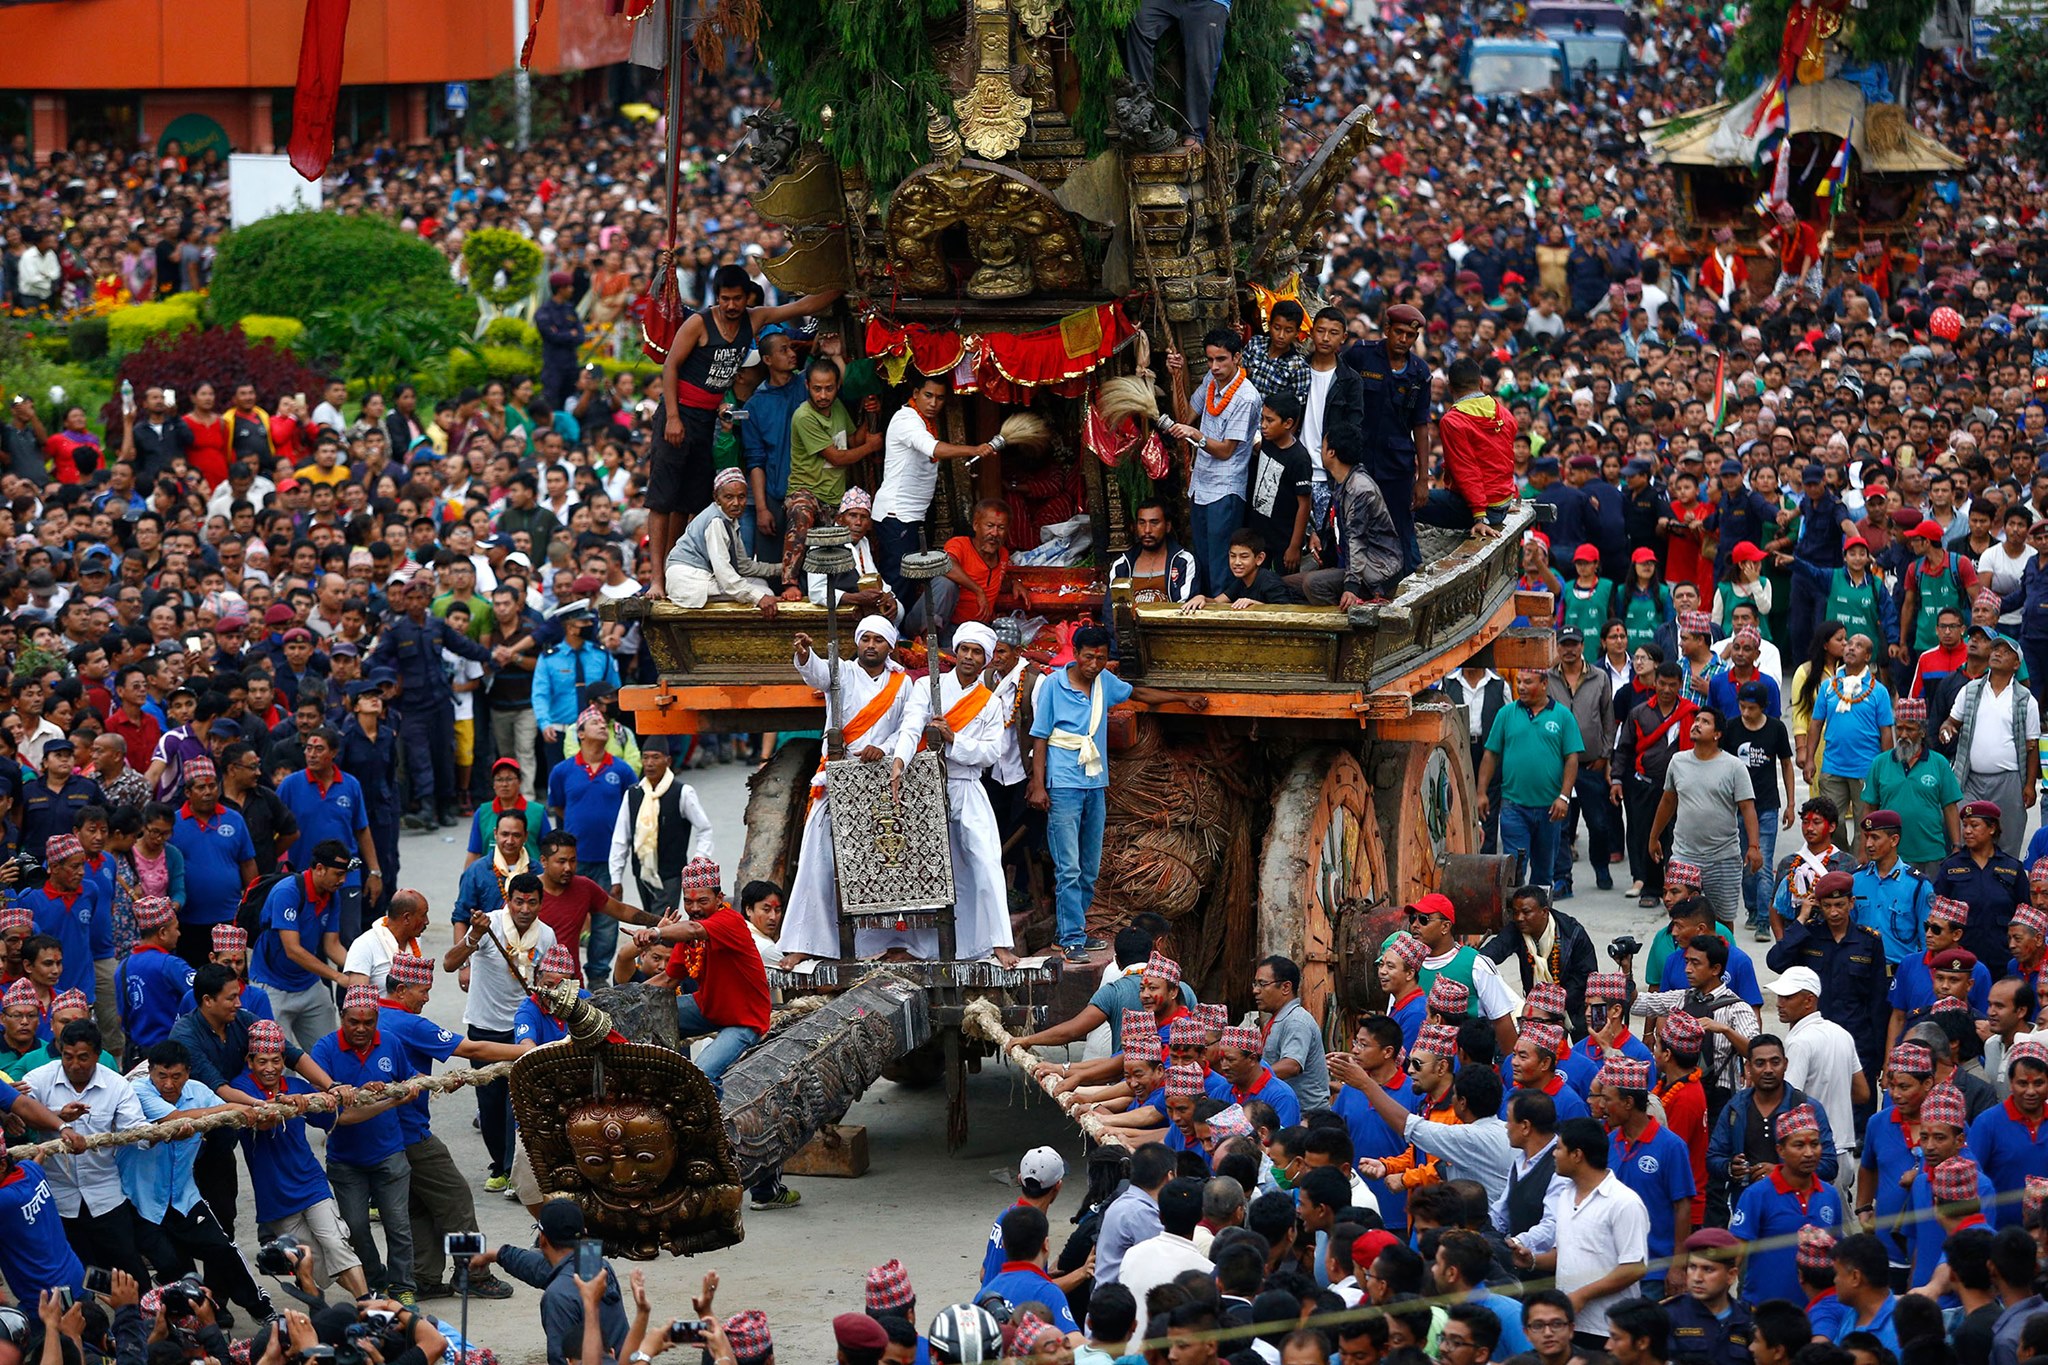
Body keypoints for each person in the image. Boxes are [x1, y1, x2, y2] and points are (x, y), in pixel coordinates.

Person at [651, 266, 842, 587]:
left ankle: (675, 570)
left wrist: (843, 283)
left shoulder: (754, 319)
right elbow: (670, 366)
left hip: (708, 418)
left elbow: (802, 307)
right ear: (717, 298)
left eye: (737, 299)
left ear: (746, 298)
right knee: (661, 499)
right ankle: (656, 579)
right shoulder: (699, 323)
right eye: (725, 299)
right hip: (679, 414)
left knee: (688, 502)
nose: (731, 306)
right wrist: (672, 416)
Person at [1029, 625, 1205, 964]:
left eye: (1101, 658)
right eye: (1088, 657)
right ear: (1076, 655)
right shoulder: (1053, 685)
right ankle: (1069, 938)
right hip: (1063, 784)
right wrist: (1039, 785)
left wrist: (1181, 697)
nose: (1094, 664)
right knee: (1068, 867)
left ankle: (1074, 932)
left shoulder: (1104, 684)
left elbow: (1139, 694)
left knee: (1089, 866)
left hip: (1095, 783)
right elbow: (1040, 737)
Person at [777, 616, 916, 965]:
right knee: (818, 863)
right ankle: (806, 943)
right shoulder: (841, 671)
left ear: (890, 646)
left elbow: (908, 728)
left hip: (883, 781)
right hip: (838, 777)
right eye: (865, 639)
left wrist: (883, 748)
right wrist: (806, 654)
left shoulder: (902, 684)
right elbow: (817, 674)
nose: (871, 645)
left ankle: (887, 942)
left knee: (883, 864)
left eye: (878, 640)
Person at [883, 621, 1018, 963]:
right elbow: (911, 724)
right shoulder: (928, 686)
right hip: (926, 787)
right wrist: (899, 761)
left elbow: (991, 753)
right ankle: (924, 947)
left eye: (977, 652)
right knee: (930, 868)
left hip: (967, 786)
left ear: (986, 660)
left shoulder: (989, 703)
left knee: (986, 863)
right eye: (964, 650)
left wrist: (954, 739)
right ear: (954, 653)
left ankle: (998, 943)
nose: (969, 657)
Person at [443, 870, 556, 1194]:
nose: (524, 909)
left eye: (531, 902)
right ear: (509, 901)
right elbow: (450, 964)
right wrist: (474, 936)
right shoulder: (488, 924)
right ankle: (498, 1165)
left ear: (539, 904)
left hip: (524, 1030)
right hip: (484, 1028)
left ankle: (512, 1170)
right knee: (490, 1104)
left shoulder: (546, 936)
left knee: (517, 1103)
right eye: (518, 901)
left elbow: (552, 980)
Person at [310, 985, 419, 1300]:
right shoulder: (324, 1050)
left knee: (398, 1226)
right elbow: (336, 1113)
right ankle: (375, 1279)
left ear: (377, 1019)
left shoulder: (392, 1043)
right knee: (356, 1228)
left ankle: (404, 1287)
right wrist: (385, 1098)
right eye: (353, 1022)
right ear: (341, 1017)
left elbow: (410, 1078)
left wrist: (403, 1088)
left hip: (389, 1152)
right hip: (346, 1160)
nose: (360, 1029)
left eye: (368, 1022)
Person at [639, 856, 771, 1091]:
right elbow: (668, 979)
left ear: (719, 898)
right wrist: (626, 998)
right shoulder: (689, 935)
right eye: (688, 902)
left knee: (703, 1074)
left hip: (745, 1019)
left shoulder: (729, 920)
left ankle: (712, 1127)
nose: (695, 908)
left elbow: (694, 928)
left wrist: (657, 932)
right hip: (708, 1007)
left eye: (702, 901)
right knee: (640, 1016)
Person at [467, 1199, 628, 1365]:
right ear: (583, 1232)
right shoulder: (596, 1263)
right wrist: (498, 1254)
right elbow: (541, 1268)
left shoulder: (558, 1296)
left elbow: (560, 1359)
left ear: (542, 1239)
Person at [1164, 330, 1262, 596]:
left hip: (1226, 489)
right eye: (1210, 360)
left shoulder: (1246, 397)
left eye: (1221, 360)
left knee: (1223, 561)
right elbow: (1184, 413)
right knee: (1204, 558)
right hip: (1201, 485)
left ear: (1237, 358)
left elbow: (1226, 451)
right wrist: (1176, 377)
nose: (1215, 367)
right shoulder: (1211, 380)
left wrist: (1195, 435)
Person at [1648, 707, 1760, 927]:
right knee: (1680, 918)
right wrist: (1654, 837)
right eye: (1696, 720)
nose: (1696, 724)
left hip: (1723, 857)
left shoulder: (1734, 766)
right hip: (1684, 855)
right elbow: (1668, 801)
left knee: (1722, 920)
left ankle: (1724, 959)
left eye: (1705, 722)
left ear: (1717, 734)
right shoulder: (1678, 762)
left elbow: (1747, 808)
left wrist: (1754, 846)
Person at [1477, 668, 1584, 892]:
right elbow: (1490, 754)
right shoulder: (1506, 714)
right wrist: (1481, 792)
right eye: (1518, 682)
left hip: (1550, 809)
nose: (1521, 687)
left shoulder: (1562, 716)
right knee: (1514, 867)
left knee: (1544, 871)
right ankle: (1516, 918)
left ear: (1544, 684)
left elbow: (1572, 758)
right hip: (1513, 806)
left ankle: (1541, 920)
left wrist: (1564, 796)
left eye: (1528, 682)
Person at [275, 728, 383, 945]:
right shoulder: (290, 785)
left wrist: (374, 872)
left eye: (319, 749)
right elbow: (275, 828)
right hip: (305, 877)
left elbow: (362, 830)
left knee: (349, 939)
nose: (312, 754)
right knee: (311, 943)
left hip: (347, 875)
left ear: (333, 753)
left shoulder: (351, 785)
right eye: (308, 748)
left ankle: (351, 980)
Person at [1288, 413, 1404, 606]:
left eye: (1323, 446)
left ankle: (1343, 624)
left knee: (1312, 584)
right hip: (1349, 564)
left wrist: (1351, 587)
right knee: (1287, 584)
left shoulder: (1360, 488)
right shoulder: (1342, 481)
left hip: (1375, 572)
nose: (1321, 451)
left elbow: (1357, 539)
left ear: (1332, 452)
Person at [1944, 632, 2041, 858]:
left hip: (2008, 780)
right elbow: (1952, 721)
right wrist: (1946, 728)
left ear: (2016, 664)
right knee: (1967, 838)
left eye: (2006, 652)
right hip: (1971, 779)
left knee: (2007, 842)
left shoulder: (2026, 700)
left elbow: (2032, 745)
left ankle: (2004, 890)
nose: (1998, 653)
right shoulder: (1970, 690)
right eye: (1996, 649)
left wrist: (2028, 785)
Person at [250, 839, 354, 1050]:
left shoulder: (332, 896)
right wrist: (337, 976)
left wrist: (357, 971)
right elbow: (293, 950)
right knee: (280, 1063)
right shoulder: (287, 892)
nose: (343, 880)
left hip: (308, 984)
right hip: (272, 987)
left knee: (330, 1054)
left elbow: (332, 945)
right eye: (338, 874)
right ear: (319, 869)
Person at [1802, 633, 1895, 856]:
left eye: (1859, 646)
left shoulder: (1878, 691)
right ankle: (1840, 859)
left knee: (1866, 824)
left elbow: (1886, 732)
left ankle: (1860, 866)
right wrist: (1808, 759)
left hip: (1866, 769)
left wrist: (1888, 767)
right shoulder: (1828, 687)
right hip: (1833, 767)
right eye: (1849, 644)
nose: (1851, 648)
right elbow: (1815, 725)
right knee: (1831, 821)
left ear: (1868, 656)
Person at [607, 735, 715, 920]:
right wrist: (616, 878)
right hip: (641, 872)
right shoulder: (633, 794)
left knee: (660, 925)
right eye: (645, 757)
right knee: (652, 921)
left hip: (670, 874)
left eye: (655, 757)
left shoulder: (682, 792)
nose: (649, 763)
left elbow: (705, 829)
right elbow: (621, 838)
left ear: (668, 760)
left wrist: (698, 861)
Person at [664, 466, 789, 612]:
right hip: (691, 583)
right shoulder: (716, 521)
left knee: (761, 584)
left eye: (741, 497)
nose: (736, 503)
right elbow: (724, 574)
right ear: (717, 498)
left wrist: (783, 568)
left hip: (701, 579)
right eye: (729, 497)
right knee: (765, 594)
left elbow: (743, 566)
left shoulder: (729, 520)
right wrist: (759, 598)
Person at [1862, 699, 1962, 878]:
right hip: (1890, 854)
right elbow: (1870, 808)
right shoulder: (1880, 763)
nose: (1903, 735)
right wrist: (1865, 847)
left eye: (1910, 729)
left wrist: (1956, 846)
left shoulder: (1939, 763)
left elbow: (1950, 807)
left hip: (1931, 854)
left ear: (1922, 732)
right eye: (1899, 728)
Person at [1481, 886, 1596, 1034]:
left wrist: (1552, 1003)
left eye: (1526, 912)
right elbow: (1492, 952)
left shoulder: (1573, 933)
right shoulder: (1517, 929)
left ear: (1544, 912)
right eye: (1515, 912)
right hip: (1537, 1010)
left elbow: (1586, 977)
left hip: (1574, 1006)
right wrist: (1472, 959)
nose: (1519, 918)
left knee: (1582, 1049)